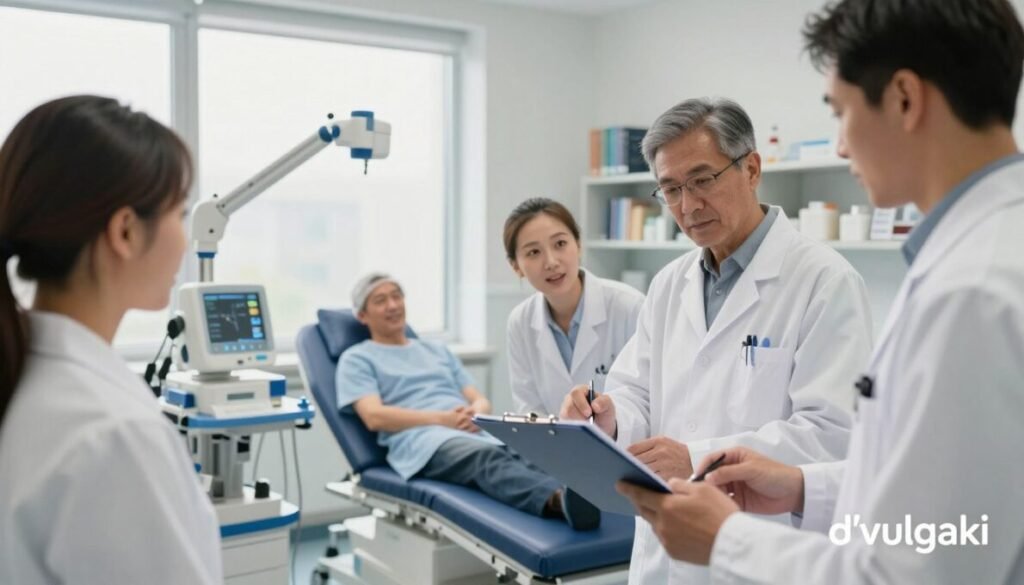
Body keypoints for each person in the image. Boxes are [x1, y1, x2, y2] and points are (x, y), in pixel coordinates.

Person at [616, 0, 1024, 583]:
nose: (840, 145)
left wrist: (728, 541)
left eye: (841, 111)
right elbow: (952, 516)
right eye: (671, 189)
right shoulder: (978, 257)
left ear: (905, 99)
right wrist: (805, 487)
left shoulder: (973, 290)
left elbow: (920, 565)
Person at [560, 97, 874, 584]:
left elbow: (832, 434)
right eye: (670, 189)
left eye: (703, 180)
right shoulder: (670, 282)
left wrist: (695, 455)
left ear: (751, 168)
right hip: (665, 546)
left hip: (755, 547)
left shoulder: (824, 282)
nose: (687, 206)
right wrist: (612, 415)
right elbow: (639, 389)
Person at [0, 96, 222, 583]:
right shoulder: (113, 435)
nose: (186, 240)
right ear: (124, 231)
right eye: (180, 214)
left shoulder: (25, 378)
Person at [337, 273, 601, 530]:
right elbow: (374, 417)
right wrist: (443, 420)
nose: (393, 305)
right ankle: (557, 501)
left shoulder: (435, 350)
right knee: (484, 458)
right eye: (381, 300)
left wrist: (476, 414)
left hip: (466, 427)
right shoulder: (357, 358)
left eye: (396, 296)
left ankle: (586, 494)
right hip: (421, 440)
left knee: (529, 445)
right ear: (362, 315)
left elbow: (479, 399)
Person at [504, 198, 644, 415]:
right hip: (552, 447)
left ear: (578, 245)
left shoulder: (629, 307)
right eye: (533, 252)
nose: (551, 262)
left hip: (625, 445)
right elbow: (530, 410)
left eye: (560, 244)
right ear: (516, 267)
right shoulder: (520, 322)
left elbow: (648, 399)